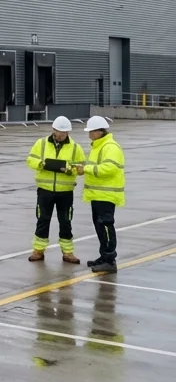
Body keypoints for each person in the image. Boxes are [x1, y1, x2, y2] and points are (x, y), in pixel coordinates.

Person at [25, 116, 86, 262]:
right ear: (53, 130)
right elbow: (30, 159)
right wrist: (41, 164)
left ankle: (68, 253)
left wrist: (69, 170)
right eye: (59, 132)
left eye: (64, 133)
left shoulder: (75, 147)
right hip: (45, 190)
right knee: (43, 219)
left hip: (65, 192)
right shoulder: (41, 144)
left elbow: (81, 168)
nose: (61, 135)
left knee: (65, 221)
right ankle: (38, 251)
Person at [74, 116, 125, 273]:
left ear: (100, 131)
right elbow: (95, 166)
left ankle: (110, 260)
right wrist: (82, 167)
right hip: (97, 195)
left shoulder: (110, 147)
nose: (89, 134)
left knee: (106, 226)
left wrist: (86, 169)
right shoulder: (98, 146)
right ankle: (104, 256)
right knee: (100, 227)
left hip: (106, 196)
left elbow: (109, 168)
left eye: (91, 131)